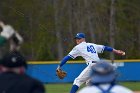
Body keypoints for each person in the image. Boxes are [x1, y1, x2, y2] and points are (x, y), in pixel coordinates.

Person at [56, 32, 125, 93]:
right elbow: (105, 48)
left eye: (79, 38)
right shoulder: (92, 45)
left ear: (83, 39)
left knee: (78, 81)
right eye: (76, 38)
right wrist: (116, 51)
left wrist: (59, 66)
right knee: (90, 84)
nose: (77, 40)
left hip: (92, 66)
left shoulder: (78, 47)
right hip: (98, 65)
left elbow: (67, 57)